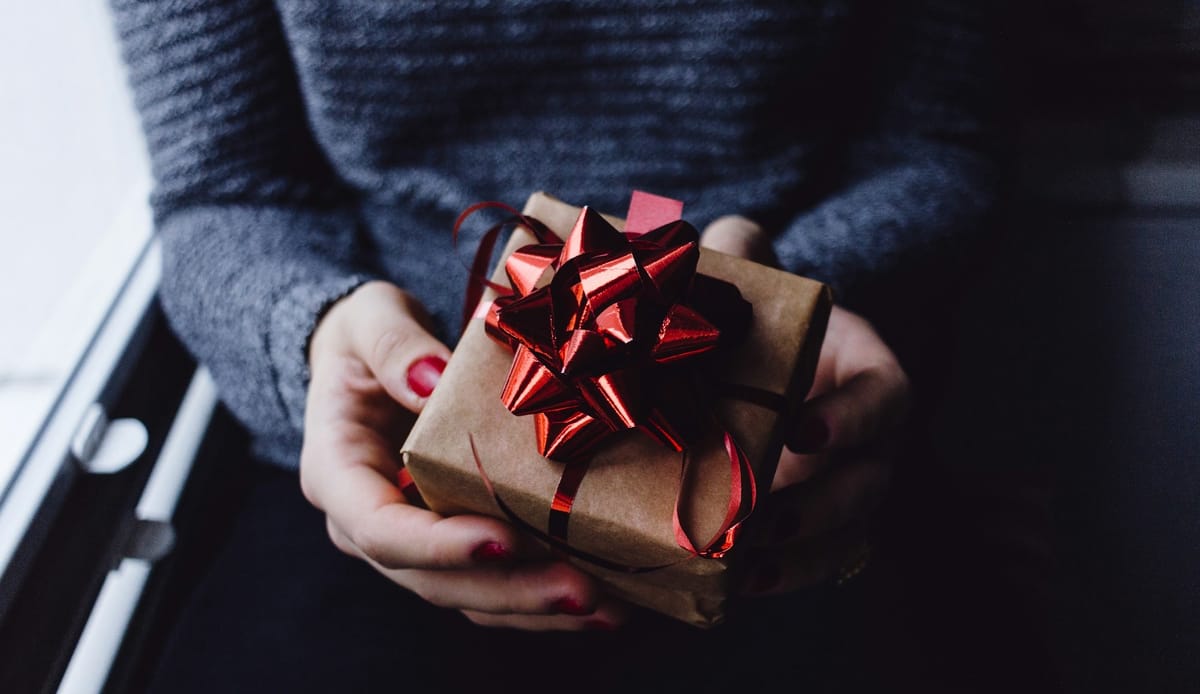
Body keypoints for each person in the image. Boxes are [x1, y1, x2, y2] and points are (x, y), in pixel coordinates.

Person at [110, 0, 997, 689]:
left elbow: (937, 145)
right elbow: (221, 191)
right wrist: (310, 330)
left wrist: (786, 306)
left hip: (780, 432)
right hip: (394, 438)